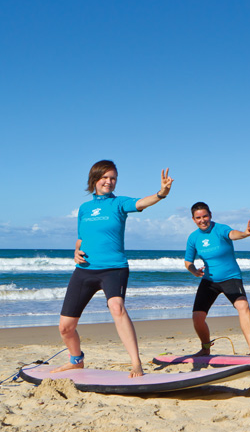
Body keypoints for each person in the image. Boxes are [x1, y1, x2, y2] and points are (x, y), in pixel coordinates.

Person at [54, 160, 173, 377]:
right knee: (65, 327)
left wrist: (161, 193)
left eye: (113, 178)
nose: (109, 182)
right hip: (86, 269)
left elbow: (141, 202)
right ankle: (76, 360)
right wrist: (76, 251)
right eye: (105, 177)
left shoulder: (119, 204)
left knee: (117, 308)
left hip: (114, 268)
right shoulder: (84, 208)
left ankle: (136, 363)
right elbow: (81, 237)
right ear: (94, 179)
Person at [184, 202, 250, 356]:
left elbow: (233, 234)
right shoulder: (193, 238)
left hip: (230, 277)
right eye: (198, 217)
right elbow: (188, 261)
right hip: (209, 281)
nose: (202, 220)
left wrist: (245, 234)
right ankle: (206, 348)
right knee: (197, 318)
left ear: (210, 215)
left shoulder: (220, 229)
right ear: (193, 219)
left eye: (205, 216)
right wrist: (193, 271)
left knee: (243, 306)